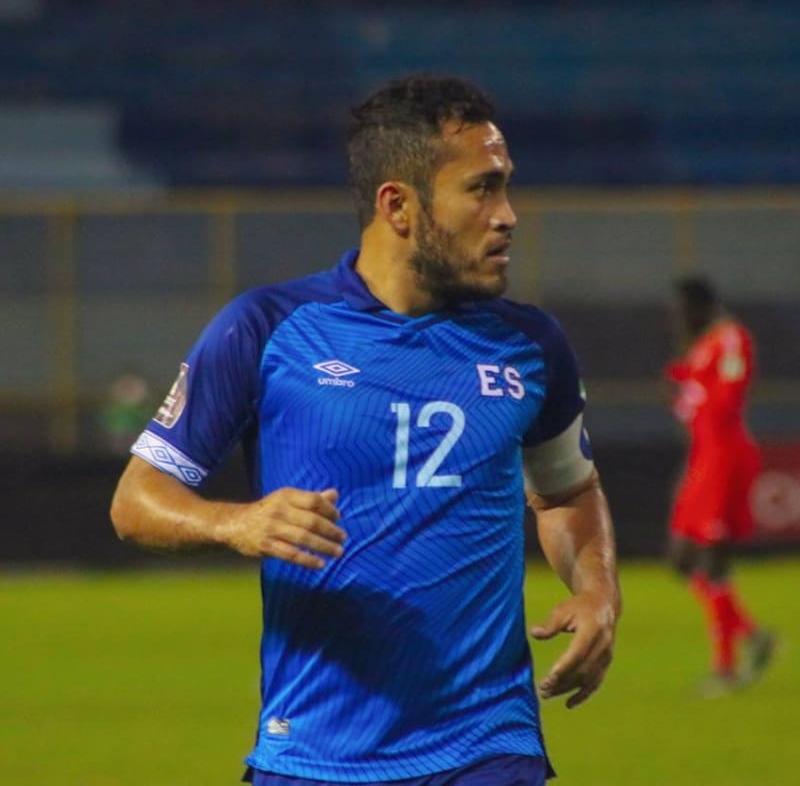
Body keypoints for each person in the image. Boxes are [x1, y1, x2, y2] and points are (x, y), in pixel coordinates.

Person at [111, 74, 620, 785]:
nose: (507, 215)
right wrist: (236, 523)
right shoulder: (267, 329)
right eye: (481, 189)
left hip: (487, 750)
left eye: (505, 187)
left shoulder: (531, 346)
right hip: (313, 755)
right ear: (398, 206)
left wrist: (598, 588)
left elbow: (567, 493)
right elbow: (137, 498)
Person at [665, 276, 775, 698]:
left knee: (711, 558)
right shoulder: (702, 343)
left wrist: (692, 394)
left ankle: (725, 667)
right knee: (681, 557)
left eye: (680, 308)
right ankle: (752, 633)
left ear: (700, 305)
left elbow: (727, 399)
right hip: (703, 458)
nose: (676, 318)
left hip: (726, 458)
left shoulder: (730, 340)